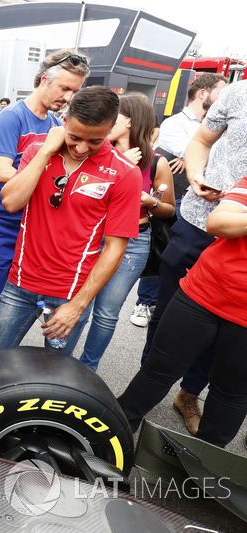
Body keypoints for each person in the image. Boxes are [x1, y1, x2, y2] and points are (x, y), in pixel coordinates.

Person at [0, 86, 142, 356]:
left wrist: (78, 305)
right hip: (20, 283)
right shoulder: (38, 150)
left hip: (71, 293)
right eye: (75, 137)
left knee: (55, 373)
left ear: (111, 127)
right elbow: (10, 202)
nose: (82, 148)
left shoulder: (125, 173)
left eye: (95, 141)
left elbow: (115, 248)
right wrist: (46, 151)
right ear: (64, 120)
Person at [0, 48, 89, 368]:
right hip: (3, 229)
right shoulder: (12, 118)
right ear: (44, 79)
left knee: (17, 312)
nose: (69, 97)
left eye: (75, 90)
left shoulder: (58, 122)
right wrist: (43, 174)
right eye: (64, 88)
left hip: (35, 231)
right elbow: (2, 172)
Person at [142, 79, 247, 436]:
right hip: (202, 219)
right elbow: (201, 140)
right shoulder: (237, 91)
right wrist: (196, 173)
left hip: (240, 235)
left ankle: (189, 394)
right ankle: (147, 388)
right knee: (169, 311)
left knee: (229, 333)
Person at [118, 179, 247, 448]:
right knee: (157, 370)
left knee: (231, 394)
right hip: (205, 290)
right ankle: (110, 438)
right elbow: (218, 223)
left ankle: (202, 467)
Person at [77, 93, 175, 371]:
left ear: (130, 122)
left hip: (133, 241)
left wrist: (150, 202)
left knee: (106, 314)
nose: (107, 122)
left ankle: (87, 369)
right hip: (92, 236)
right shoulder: (94, 152)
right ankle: (61, 364)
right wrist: (118, 161)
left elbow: (169, 210)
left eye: (114, 117)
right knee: (77, 305)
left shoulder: (157, 162)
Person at [129, 73, 227, 328]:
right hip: (180, 200)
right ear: (203, 93)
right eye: (220, 92)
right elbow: (204, 154)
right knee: (163, 250)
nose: (223, 99)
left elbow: (203, 154)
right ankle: (144, 303)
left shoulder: (217, 124)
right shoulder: (174, 124)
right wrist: (196, 153)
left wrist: (193, 157)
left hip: (198, 200)